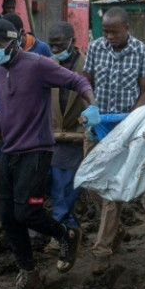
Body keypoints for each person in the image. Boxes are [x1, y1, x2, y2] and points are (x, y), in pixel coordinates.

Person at [0, 19, 100, 289]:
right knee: (8, 216)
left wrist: (92, 105)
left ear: (13, 40)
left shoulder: (37, 64)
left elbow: (78, 80)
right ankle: (29, 274)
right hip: (10, 149)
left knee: (28, 213)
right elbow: (8, 105)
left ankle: (66, 235)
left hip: (37, 149)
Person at [84, 6, 145, 275]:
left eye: (114, 32)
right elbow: (86, 82)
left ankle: (101, 250)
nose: (110, 37)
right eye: (106, 32)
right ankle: (117, 230)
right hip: (98, 126)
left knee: (112, 188)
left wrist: (132, 123)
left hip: (124, 128)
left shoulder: (143, 53)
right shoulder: (96, 48)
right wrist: (90, 108)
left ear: (126, 28)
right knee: (90, 181)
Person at [0, 13, 52, 233]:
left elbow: (52, 88)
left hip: (34, 129)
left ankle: (35, 218)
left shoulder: (41, 52)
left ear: (17, 36)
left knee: (35, 175)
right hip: (6, 125)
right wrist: (3, 123)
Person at [47, 22, 87, 255]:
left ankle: (64, 231)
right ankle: (66, 228)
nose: (55, 49)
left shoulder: (86, 65)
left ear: (72, 41)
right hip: (52, 134)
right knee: (54, 185)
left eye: (60, 44)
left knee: (64, 187)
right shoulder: (48, 65)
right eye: (52, 45)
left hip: (76, 134)